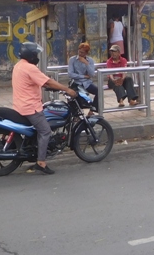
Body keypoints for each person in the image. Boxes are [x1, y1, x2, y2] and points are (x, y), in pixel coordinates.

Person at [12, 42, 77, 175]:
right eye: (35, 54)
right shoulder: (30, 68)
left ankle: (35, 148)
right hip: (30, 107)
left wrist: (48, 85)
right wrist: (67, 89)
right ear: (30, 55)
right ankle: (41, 162)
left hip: (19, 105)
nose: (37, 56)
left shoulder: (19, 65)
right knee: (45, 131)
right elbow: (47, 81)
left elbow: (35, 82)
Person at [68, 42, 98, 115]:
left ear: (86, 53)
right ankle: (76, 114)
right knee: (73, 96)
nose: (80, 54)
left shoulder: (90, 60)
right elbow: (71, 74)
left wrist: (86, 63)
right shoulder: (72, 59)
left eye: (82, 52)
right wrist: (83, 76)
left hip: (87, 83)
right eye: (79, 51)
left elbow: (92, 74)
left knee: (99, 91)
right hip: (77, 83)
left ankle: (92, 110)